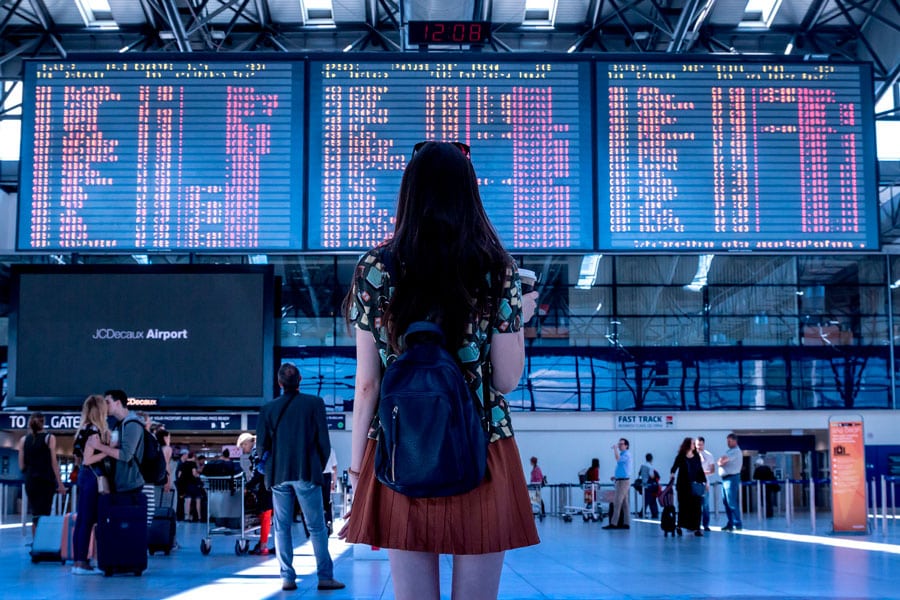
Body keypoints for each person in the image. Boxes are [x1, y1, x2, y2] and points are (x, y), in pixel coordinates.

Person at [340, 140, 540, 600]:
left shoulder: (376, 267)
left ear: (409, 194)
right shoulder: (497, 269)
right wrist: (516, 320)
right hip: (482, 448)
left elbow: (368, 382)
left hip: (399, 447)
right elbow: (507, 380)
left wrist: (356, 470)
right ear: (469, 194)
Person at [257, 362, 344, 592]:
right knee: (316, 527)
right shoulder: (314, 404)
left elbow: (260, 446)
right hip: (307, 471)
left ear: (279, 383)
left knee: (282, 526)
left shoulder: (268, 409)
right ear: (300, 381)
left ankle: (287, 578)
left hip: (278, 475)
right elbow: (324, 443)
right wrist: (317, 464)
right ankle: (325, 577)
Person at [70, 394, 110, 575]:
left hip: (83, 477)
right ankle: (81, 563)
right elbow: (88, 459)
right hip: (93, 477)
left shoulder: (81, 430)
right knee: (87, 521)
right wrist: (108, 452)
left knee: (81, 521)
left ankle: (78, 560)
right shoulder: (94, 431)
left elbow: (79, 458)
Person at [86, 390, 145, 500]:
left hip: (130, 486)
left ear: (118, 403)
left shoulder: (132, 424)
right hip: (121, 484)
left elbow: (125, 455)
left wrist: (98, 446)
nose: (105, 405)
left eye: (108, 402)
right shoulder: (119, 425)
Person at [17, 412, 68, 534]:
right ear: (43, 422)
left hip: (31, 480)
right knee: (44, 513)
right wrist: (60, 483)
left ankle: (36, 544)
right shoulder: (49, 438)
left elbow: (21, 465)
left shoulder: (23, 440)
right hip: (45, 480)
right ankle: (41, 544)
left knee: (35, 513)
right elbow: (53, 462)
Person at [236, 432, 273, 555]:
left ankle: (263, 545)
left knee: (266, 514)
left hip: (265, 486)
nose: (243, 450)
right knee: (266, 515)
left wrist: (248, 485)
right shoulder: (261, 448)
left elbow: (259, 471)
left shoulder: (257, 451)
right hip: (269, 484)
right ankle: (263, 543)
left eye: (243, 446)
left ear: (247, 443)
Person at [669, 437, 707, 537]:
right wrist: (672, 474)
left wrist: (705, 482)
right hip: (683, 486)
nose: (694, 445)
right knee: (683, 506)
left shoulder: (696, 456)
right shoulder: (681, 456)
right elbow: (674, 467)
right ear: (687, 445)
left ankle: (696, 528)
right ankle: (680, 526)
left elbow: (700, 469)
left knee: (696, 507)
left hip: (695, 484)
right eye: (692, 443)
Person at [603, 438, 633, 530]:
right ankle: (626, 523)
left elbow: (618, 460)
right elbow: (623, 469)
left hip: (623, 482)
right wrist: (616, 477)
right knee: (624, 504)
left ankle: (614, 523)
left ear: (626, 445)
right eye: (618, 444)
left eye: (621, 444)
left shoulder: (626, 454)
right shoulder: (623, 455)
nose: (619, 446)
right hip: (620, 480)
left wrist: (615, 449)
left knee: (617, 502)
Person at [717, 432, 744, 531]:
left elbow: (722, 461)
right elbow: (720, 460)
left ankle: (738, 524)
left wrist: (721, 461)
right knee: (726, 502)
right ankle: (730, 523)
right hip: (725, 479)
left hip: (731, 479)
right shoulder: (729, 451)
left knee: (731, 502)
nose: (727, 443)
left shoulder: (735, 451)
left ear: (735, 441)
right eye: (727, 441)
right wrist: (720, 461)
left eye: (729, 441)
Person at [695, 436, 716, 531]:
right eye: (698, 444)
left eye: (701, 444)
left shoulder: (709, 455)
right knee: (695, 505)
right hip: (694, 484)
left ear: (704, 444)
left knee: (706, 505)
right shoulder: (691, 456)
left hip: (705, 483)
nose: (699, 446)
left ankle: (706, 525)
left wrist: (702, 473)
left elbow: (712, 470)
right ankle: (695, 525)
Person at [176, 451, 203, 522]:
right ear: (193, 457)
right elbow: (194, 473)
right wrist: (198, 475)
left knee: (187, 500)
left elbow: (179, 475)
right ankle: (199, 517)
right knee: (198, 500)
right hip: (193, 484)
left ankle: (186, 517)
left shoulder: (183, 463)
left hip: (186, 485)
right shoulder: (193, 463)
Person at [637, 453, 659, 519]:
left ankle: (652, 513)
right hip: (649, 485)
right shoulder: (650, 466)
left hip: (644, 484)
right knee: (650, 499)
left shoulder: (642, 465)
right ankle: (651, 513)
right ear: (651, 459)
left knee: (648, 499)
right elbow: (652, 476)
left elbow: (639, 474)